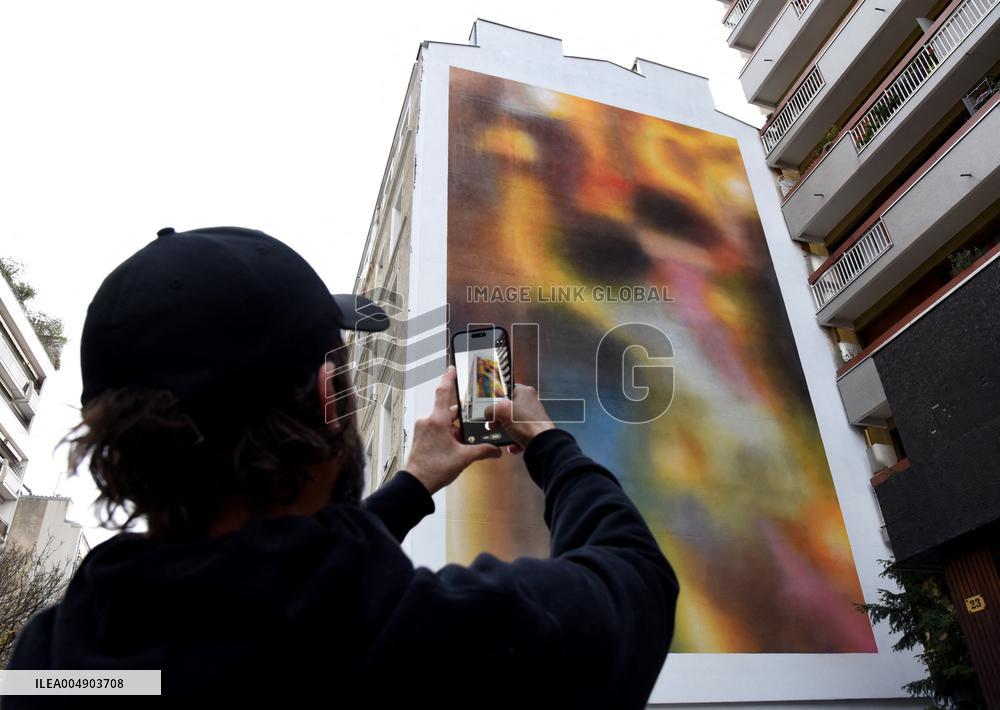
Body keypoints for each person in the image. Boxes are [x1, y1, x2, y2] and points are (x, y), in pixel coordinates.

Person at [5, 227, 679, 708]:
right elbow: (635, 577)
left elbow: (265, 587)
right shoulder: (441, 649)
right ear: (332, 397)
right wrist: (543, 439)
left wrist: (413, 485)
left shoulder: (49, 663)